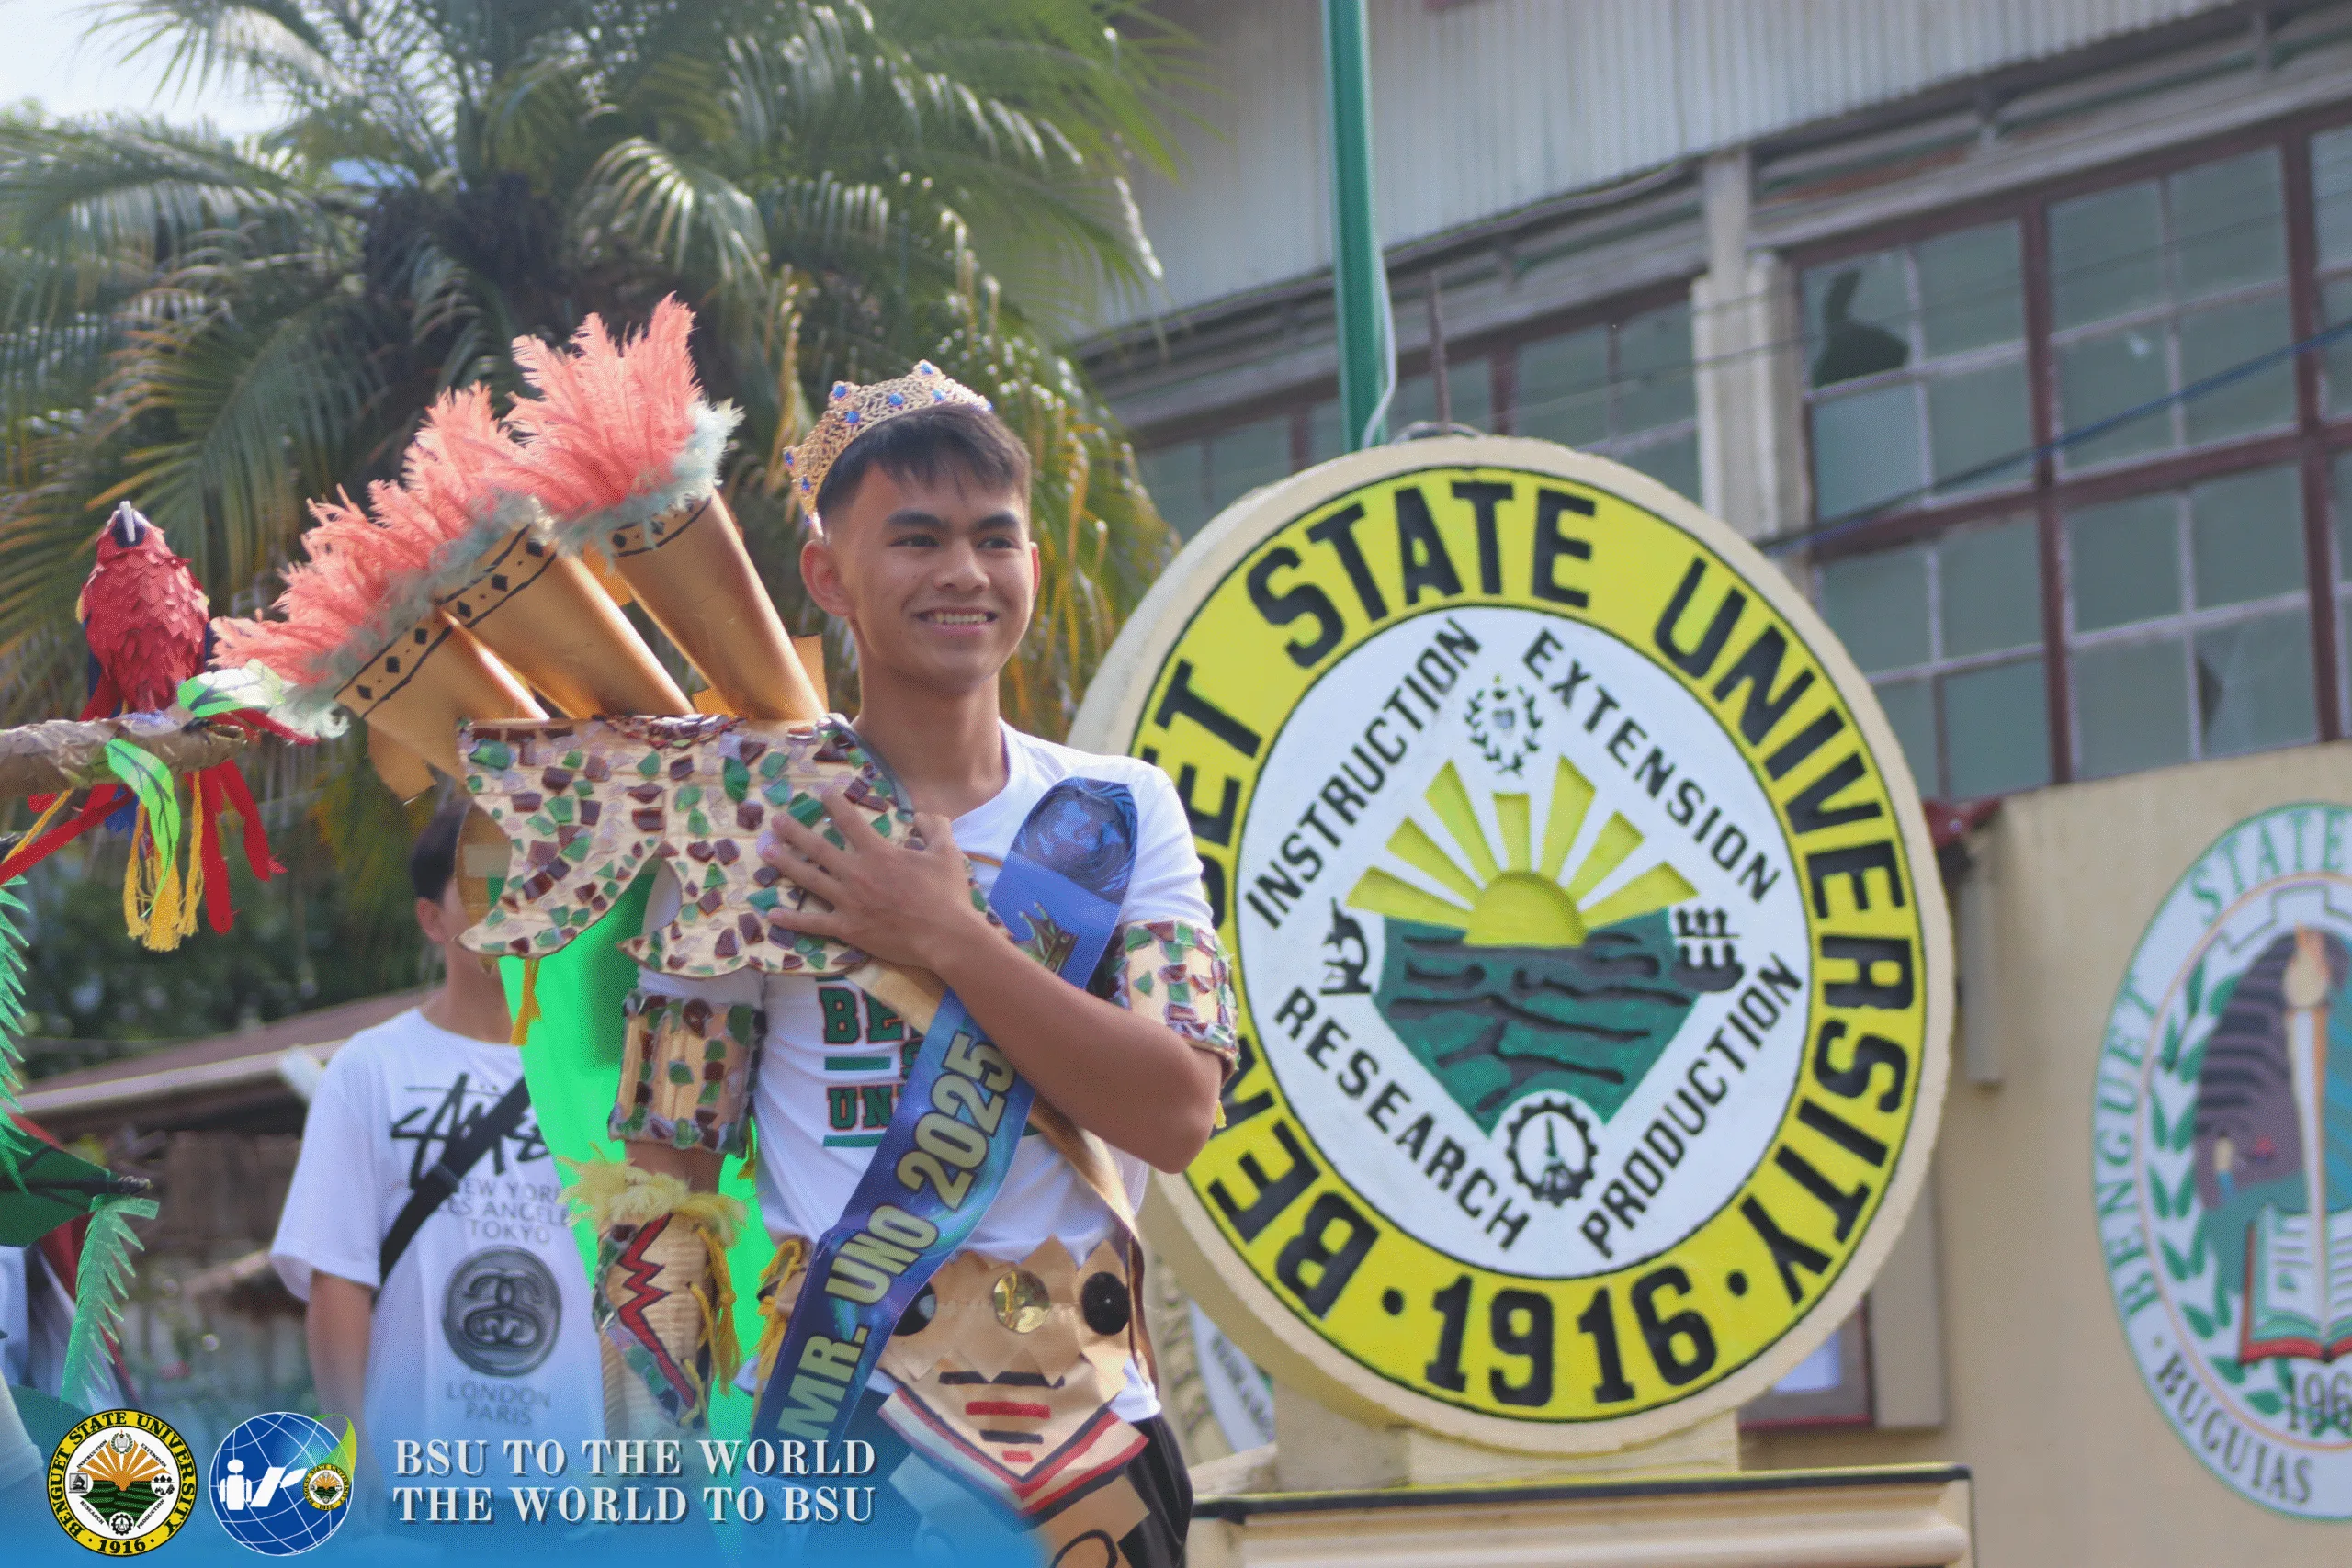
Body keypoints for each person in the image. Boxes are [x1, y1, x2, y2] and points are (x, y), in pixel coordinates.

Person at [587, 370, 1238, 1565]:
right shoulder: (740, 831)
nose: (965, 574)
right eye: (919, 538)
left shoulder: (1120, 812)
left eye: (997, 539)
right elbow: (660, 1190)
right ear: (828, 574)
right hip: (848, 1427)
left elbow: (1180, 1107)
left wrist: (944, 934)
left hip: (1096, 1433)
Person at [271, 798, 602, 1495]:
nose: (512, 901)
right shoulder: (370, 1069)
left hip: (578, 1491)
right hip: (418, 1490)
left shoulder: (601, 1076)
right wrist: (351, 1468)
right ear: (432, 918)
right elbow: (338, 1275)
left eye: (531, 879)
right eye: (483, 883)